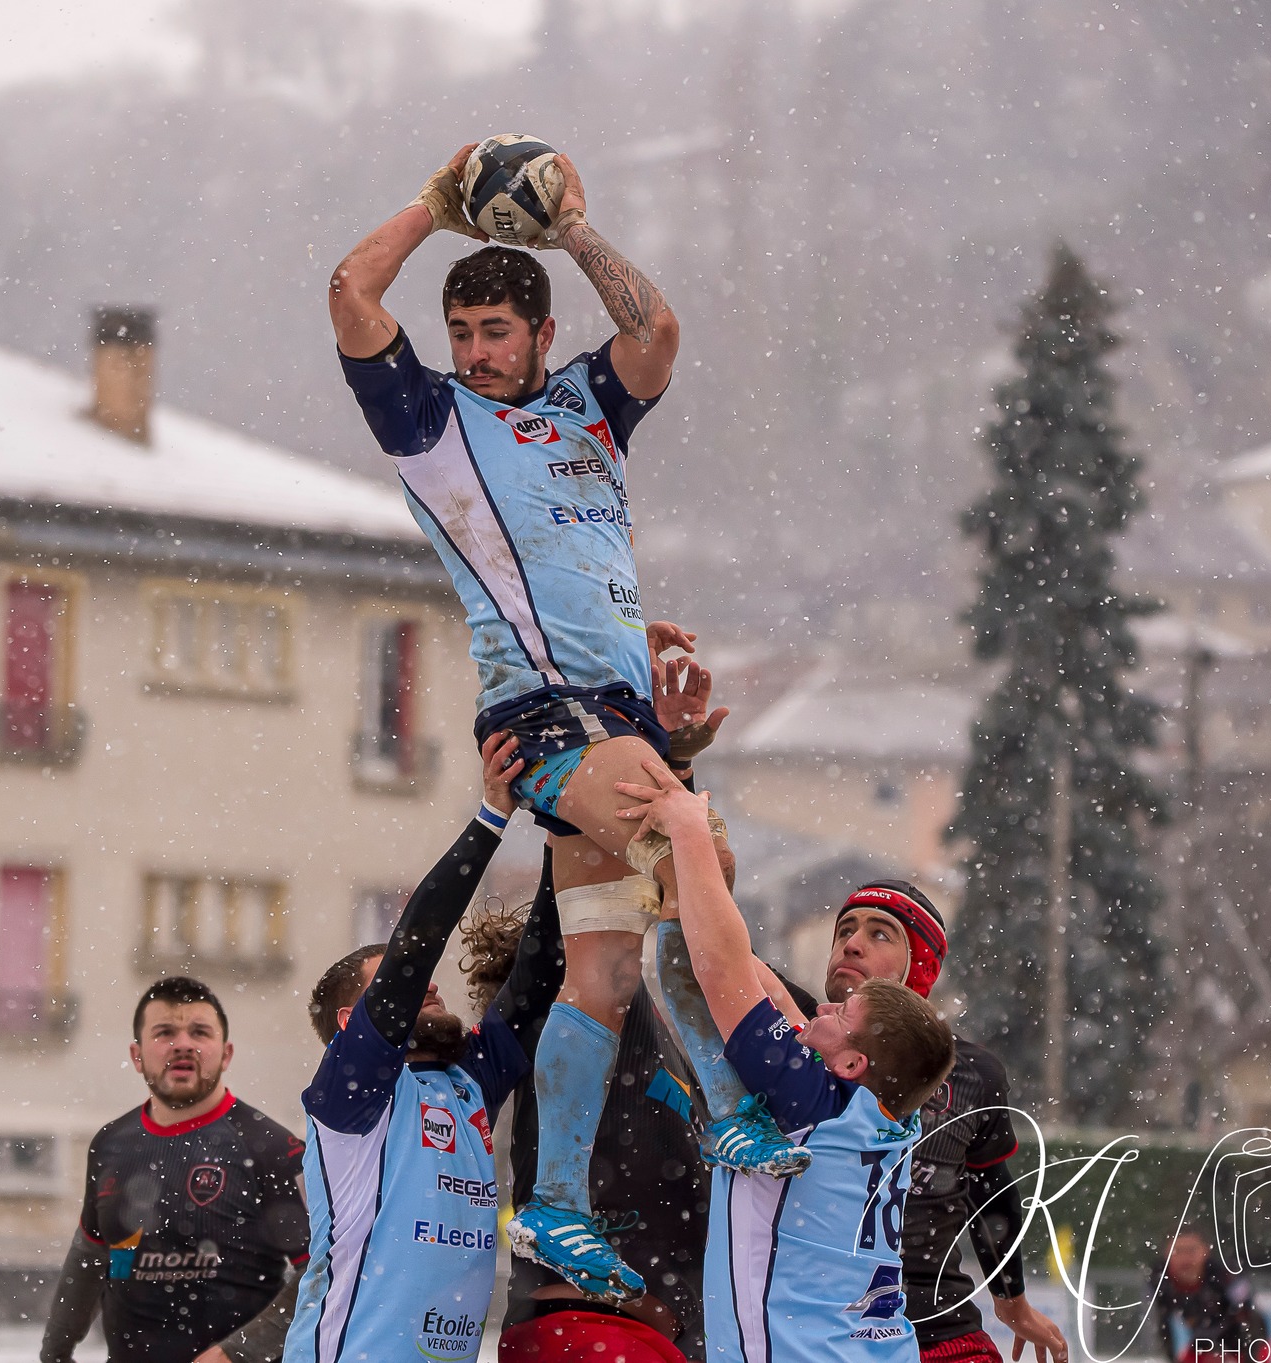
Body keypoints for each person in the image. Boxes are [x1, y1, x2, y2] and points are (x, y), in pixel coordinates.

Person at [332, 160, 796, 1299]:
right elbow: (349, 292)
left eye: (495, 330)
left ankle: (552, 1203)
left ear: (542, 332)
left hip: (612, 712)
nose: (475, 351)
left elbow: (658, 333)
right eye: (460, 332)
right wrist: (434, 206)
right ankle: (726, 1101)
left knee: (604, 969)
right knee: (695, 847)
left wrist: (574, 228)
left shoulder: (589, 402)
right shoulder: (433, 422)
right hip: (548, 717)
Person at [615, 763, 958, 1363]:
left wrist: (690, 833)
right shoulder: (882, 1111)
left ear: (852, 1061)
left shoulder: (811, 1102)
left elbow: (719, 967)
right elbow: (753, 977)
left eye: (838, 1015)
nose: (819, 1009)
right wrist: (694, 877)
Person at [284, 733, 564, 1363]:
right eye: (402, 987)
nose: (431, 985)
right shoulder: (353, 1094)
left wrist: (557, 832)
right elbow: (417, 945)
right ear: (352, 1022)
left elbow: (537, 977)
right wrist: (491, 818)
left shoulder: (468, 1084)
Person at [814, 884, 1071, 1363]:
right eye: (844, 930)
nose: (852, 944)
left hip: (934, 1327)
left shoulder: (972, 1074)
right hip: (807, 1327)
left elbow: (992, 1194)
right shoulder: (786, 1040)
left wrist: (1012, 1304)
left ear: (921, 968)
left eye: (880, 933)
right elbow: (716, 959)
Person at [39, 976, 307, 1363]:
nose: (183, 1044)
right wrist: (54, 1354)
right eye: (165, 1032)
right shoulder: (111, 1144)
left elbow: (323, 1271)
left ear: (226, 1054)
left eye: (200, 1032)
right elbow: (90, 1256)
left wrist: (237, 1353)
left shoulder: (272, 1147)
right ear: (137, 1055)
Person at [1150, 1227, 1270, 1363]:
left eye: (1191, 1250)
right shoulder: (1160, 1280)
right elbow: (1164, 1324)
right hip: (1203, 1343)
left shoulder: (1227, 1276)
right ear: (1166, 1254)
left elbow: (1250, 1318)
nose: (1185, 1258)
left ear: (1205, 1251)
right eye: (1177, 1251)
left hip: (1246, 1343)